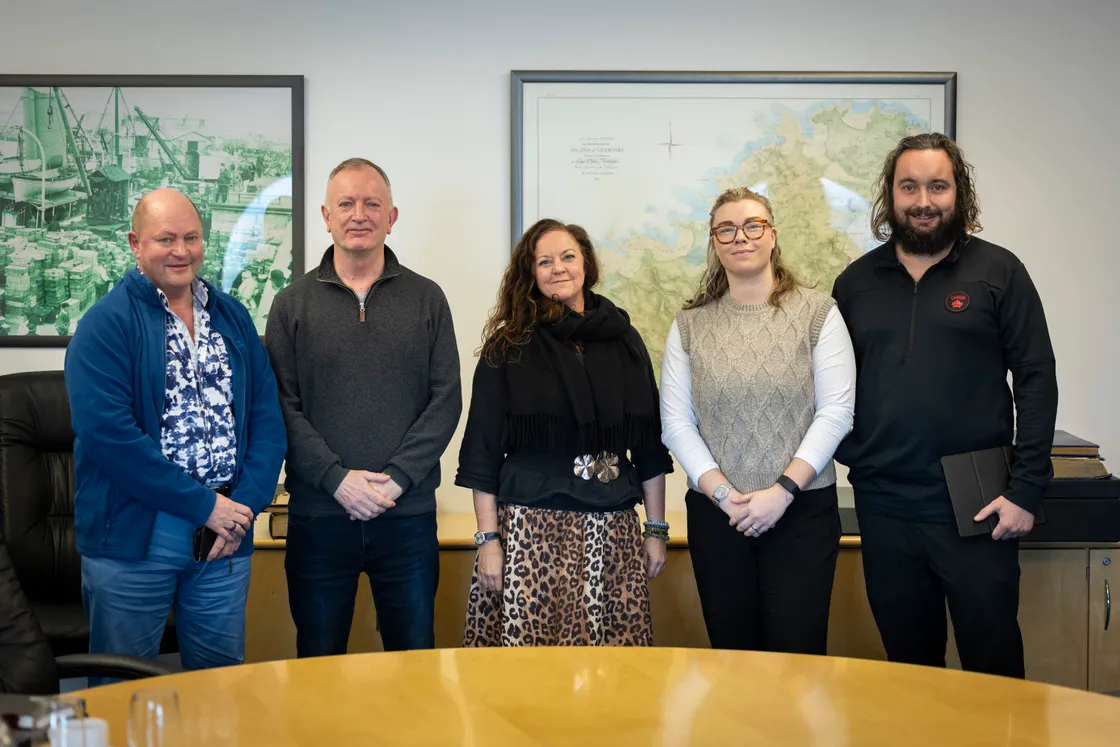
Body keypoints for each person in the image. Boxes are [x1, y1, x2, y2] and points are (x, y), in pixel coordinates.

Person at [831, 133, 1058, 678]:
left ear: (960, 193)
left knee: (994, 662)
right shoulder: (855, 284)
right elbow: (829, 390)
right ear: (891, 195)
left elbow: (1036, 379)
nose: (923, 200)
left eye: (938, 185)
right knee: (908, 668)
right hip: (884, 499)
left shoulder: (1000, 271)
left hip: (979, 496)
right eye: (909, 186)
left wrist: (1026, 488)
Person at [64, 188, 286, 672]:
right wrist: (204, 506)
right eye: (165, 238)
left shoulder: (232, 316)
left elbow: (266, 417)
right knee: (123, 690)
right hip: (138, 535)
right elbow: (108, 436)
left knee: (219, 687)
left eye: (191, 237)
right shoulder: (105, 325)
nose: (181, 251)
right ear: (135, 243)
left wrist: (243, 506)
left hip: (227, 532)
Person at [265, 158, 461, 656]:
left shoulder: (427, 299)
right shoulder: (291, 304)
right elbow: (282, 406)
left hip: (407, 515)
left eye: (372, 203)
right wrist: (338, 480)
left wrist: (395, 479)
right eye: (347, 203)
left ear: (392, 216)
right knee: (319, 663)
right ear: (326, 216)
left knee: (413, 662)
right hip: (319, 517)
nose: (359, 214)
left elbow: (446, 400)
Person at [456, 218, 672, 646]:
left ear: (586, 264)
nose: (558, 268)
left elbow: (648, 445)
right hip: (531, 531)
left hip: (613, 531)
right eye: (544, 261)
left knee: (613, 671)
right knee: (532, 676)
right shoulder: (509, 347)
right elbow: (481, 453)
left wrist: (656, 530)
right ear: (530, 274)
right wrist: (488, 542)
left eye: (568, 256)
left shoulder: (625, 340)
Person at [660, 186, 856, 654]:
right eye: (725, 229)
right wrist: (726, 496)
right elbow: (675, 423)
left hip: (803, 512)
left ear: (772, 236)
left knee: (799, 655)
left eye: (753, 225)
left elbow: (836, 412)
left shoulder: (818, 314)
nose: (740, 237)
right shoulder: (690, 324)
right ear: (714, 242)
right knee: (732, 656)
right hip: (718, 517)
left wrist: (782, 492)